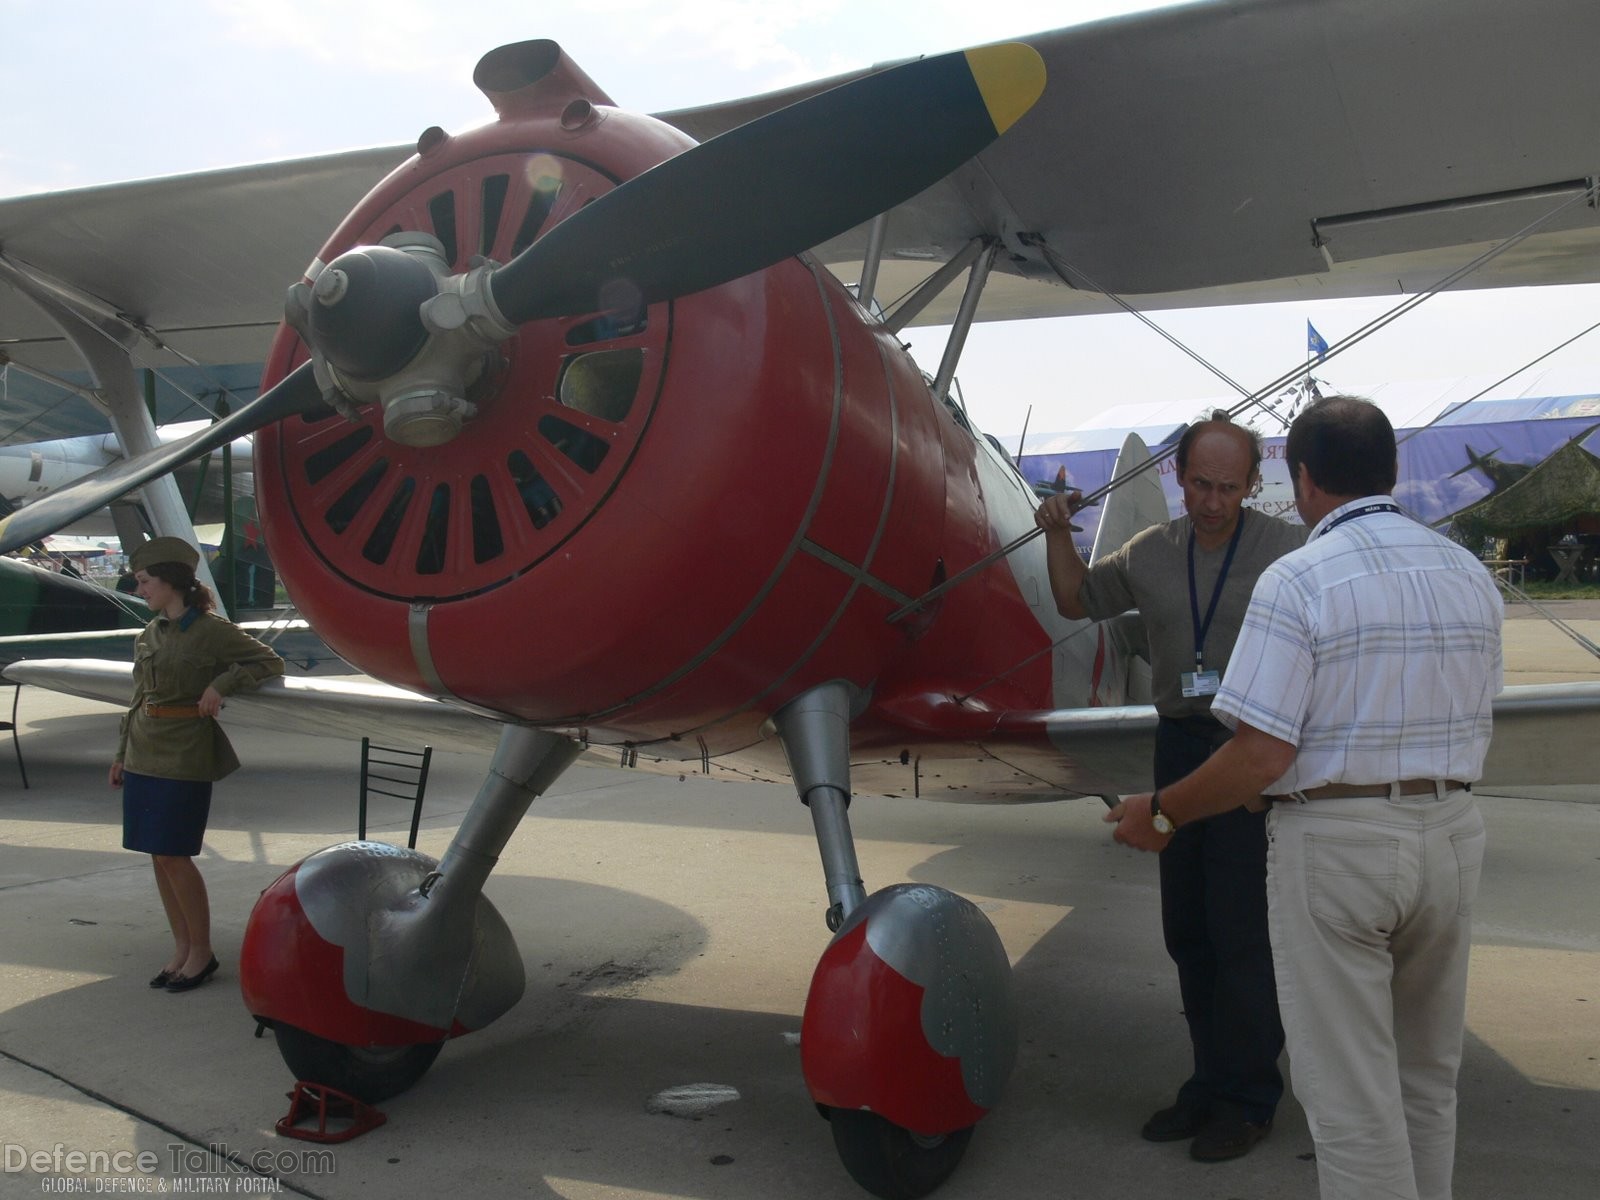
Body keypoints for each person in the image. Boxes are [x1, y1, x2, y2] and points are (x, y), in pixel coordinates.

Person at [1106, 396, 1502, 1200]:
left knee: (1349, 1095)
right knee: (1427, 1077)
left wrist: (1162, 813)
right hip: (1455, 832)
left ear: (1303, 477)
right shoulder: (1467, 572)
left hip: (1343, 846)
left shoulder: (1297, 578)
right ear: (1391, 473)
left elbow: (1260, 751)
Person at [1034, 412, 1305, 1161]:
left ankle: (1249, 1099)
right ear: (1176, 478)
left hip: (1252, 749)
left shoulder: (1288, 552)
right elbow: (1074, 600)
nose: (1213, 501)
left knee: (1242, 934)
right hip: (1179, 745)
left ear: (1254, 484)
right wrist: (1057, 529)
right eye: (1199, 484)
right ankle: (1207, 1082)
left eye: (1228, 486)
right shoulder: (1151, 551)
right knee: (1189, 931)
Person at [112, 536, 284, 993]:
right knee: (158, 855)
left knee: (175, 853)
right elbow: (136, 699)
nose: (139, 588)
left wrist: (223, 683)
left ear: (171, 581)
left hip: (185, 752)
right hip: (144, 752)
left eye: (145, 581)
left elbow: (269, 661)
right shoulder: (149, 633)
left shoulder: (211, 630)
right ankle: (182, 949)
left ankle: (202, 952)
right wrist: (120, 755)